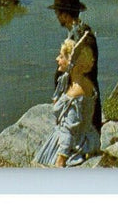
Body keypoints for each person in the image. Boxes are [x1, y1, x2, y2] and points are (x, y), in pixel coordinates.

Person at [34, 38, 101, 167]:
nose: (57, 59)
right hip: (84, 136)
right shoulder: (73, 81)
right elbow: (56, 97)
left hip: (73, 145)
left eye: (61, 56)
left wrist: (61, 160)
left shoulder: (76, 92)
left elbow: (69, 130)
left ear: (71, 63)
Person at [49, 0, 102, 130]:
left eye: (57, 13)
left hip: (81, 108)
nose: (57, 17)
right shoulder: (79, 33)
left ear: (65, 15)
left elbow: (83, 72)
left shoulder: (83, 39)